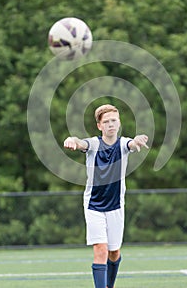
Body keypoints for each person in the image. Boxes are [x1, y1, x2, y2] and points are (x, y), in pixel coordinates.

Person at [64, 104, 149, 288]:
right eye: (107, 121)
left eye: (114, 120)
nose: (111, 124)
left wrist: (138, 140)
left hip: (116, 205)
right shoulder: (94, 144)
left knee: (114, 252)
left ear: (119, 123)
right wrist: (72, 139)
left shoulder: (123, 144)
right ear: (99, 126)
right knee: (100, 249)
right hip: (94, 205)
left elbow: (132, 144)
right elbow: (81, 143)